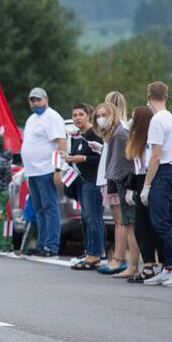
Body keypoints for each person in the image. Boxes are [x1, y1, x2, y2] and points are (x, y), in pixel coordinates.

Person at [140, 82, 172, 286]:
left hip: (161, 173)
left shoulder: (157, 120)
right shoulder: (171, 118)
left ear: (149, 96)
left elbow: (155, 155)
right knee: (168, 221)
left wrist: (146, 185)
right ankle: (169, 266)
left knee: (160, 222)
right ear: (166, 96)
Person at [20, 87, 67, 257]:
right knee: (39, 209)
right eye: (33, 100)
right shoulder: (32, 118)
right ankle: (42, 244)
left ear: (46, 100)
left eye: (39, 100)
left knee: (50, 208)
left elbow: (61, 143)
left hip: (46, 169)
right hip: (33, 171)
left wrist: (57, 169)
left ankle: (51, 246)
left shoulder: (52, 117)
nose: (36, 103)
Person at [96, 99, 138, 277]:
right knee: (124, 223)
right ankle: (126, 263)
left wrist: (129, 186)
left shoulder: (121, 132)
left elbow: (131, 160)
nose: (100, 119)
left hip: (123, 181)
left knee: (127, 224)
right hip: (116, 179)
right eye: (98, 116)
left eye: (104, 115)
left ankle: (127, 263)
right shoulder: (113, 133)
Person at [124, 107, 162, 283]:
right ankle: (148, 264)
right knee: (140, 227)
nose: (131, 121)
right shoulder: (136, 139)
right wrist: (132, 188)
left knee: (152, 225)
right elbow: (136, 166)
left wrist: (145, 187)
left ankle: (160, 264)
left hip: (150, 181)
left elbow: (148, 163)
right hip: (140, 181)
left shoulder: (150, 138)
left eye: (134, 118)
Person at [67, 103, 105, 269]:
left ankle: (95, 255)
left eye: (80, 115)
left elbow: (102, 159)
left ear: (89, 115)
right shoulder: (78, 136)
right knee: (86, 218)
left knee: (93, 218)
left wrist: (83, 159)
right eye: (74, 115)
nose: (77, 118)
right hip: (81, 182)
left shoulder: (95, 135)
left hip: (93, 182)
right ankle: (90, 251)